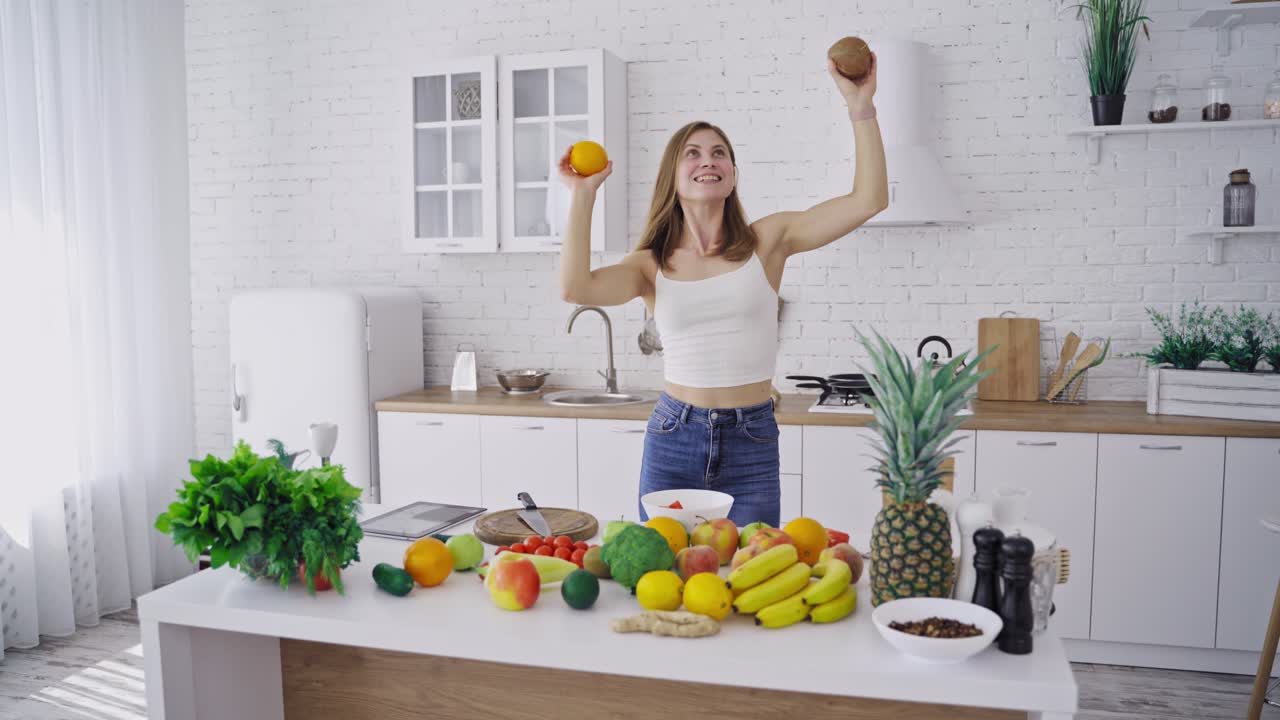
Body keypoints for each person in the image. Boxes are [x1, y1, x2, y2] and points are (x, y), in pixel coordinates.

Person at [556, 54, 888, 527]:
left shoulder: (767, 242)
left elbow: (869, 200)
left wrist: (860, 105)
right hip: (674, 437)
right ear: (673, 176)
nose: (708, 160)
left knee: (752, 567)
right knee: (664, 568)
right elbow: (575, 287)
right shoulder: (651, 264)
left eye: (719, 153)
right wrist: (583, 195)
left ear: (731, 174)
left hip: (751, 439)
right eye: (692, 153)